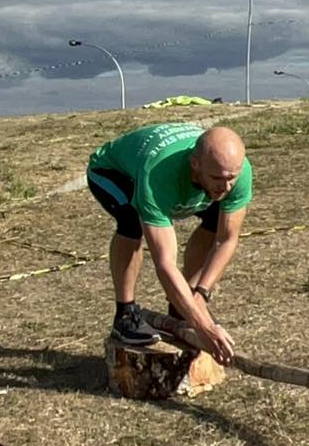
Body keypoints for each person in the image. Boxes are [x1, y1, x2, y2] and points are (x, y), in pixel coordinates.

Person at [87, 122, 252, 361]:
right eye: (216, 178)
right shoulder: (158, 176)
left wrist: (200, 295)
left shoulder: (238, 170)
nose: (225, 186)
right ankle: (125, 315)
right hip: (112, 171)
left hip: (170, 171)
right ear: (195, 164)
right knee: (131, 222)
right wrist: (203, 326)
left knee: (216, 219)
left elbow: (227, 239)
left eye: (231, 178)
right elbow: (165, 263)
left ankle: (184, 301)